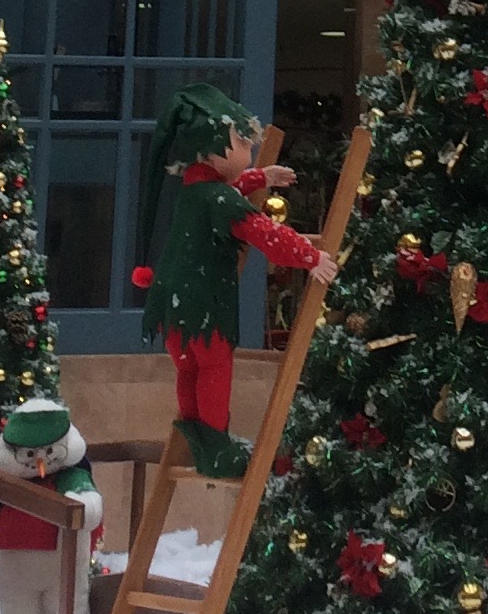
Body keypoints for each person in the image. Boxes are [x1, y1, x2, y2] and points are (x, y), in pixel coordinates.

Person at [132, 84, 335, 475]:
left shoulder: (195, 189)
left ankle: (196, 433)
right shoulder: (219, 199)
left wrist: (260, 177)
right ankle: (218, 447)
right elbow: (264, 233)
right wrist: (309, 256)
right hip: (205, 304)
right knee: (213, 370)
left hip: (172, 303)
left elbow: (223, 192)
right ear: (210, 148)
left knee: (188, 369)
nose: (250, 150)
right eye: (242, 141)